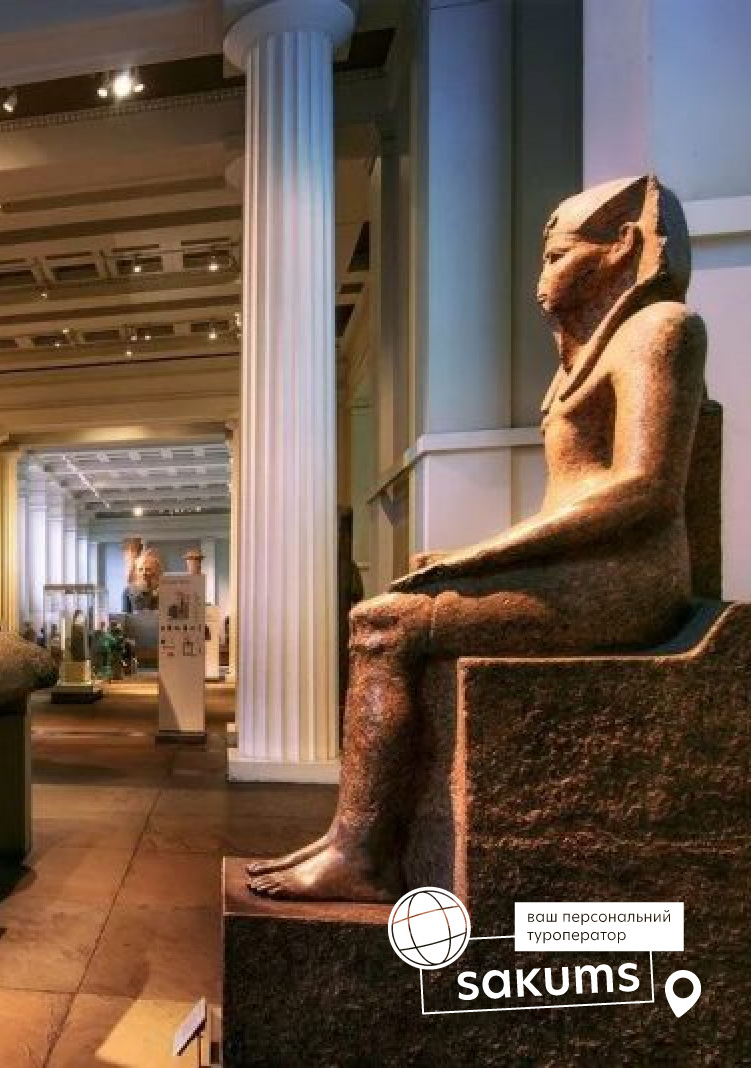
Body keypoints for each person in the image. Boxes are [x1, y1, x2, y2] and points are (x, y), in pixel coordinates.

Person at [249, 176, 706, 902]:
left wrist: (487, 554)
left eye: (557, 256)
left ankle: (362, 854)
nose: (542, 277)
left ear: (622, 248)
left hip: (627, 581)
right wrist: (475, 557)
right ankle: (350, 837)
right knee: (399, 604)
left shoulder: (661, 331)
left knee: (383, 625)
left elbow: (643, 490)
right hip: (585, 568)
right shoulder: (593, 354)